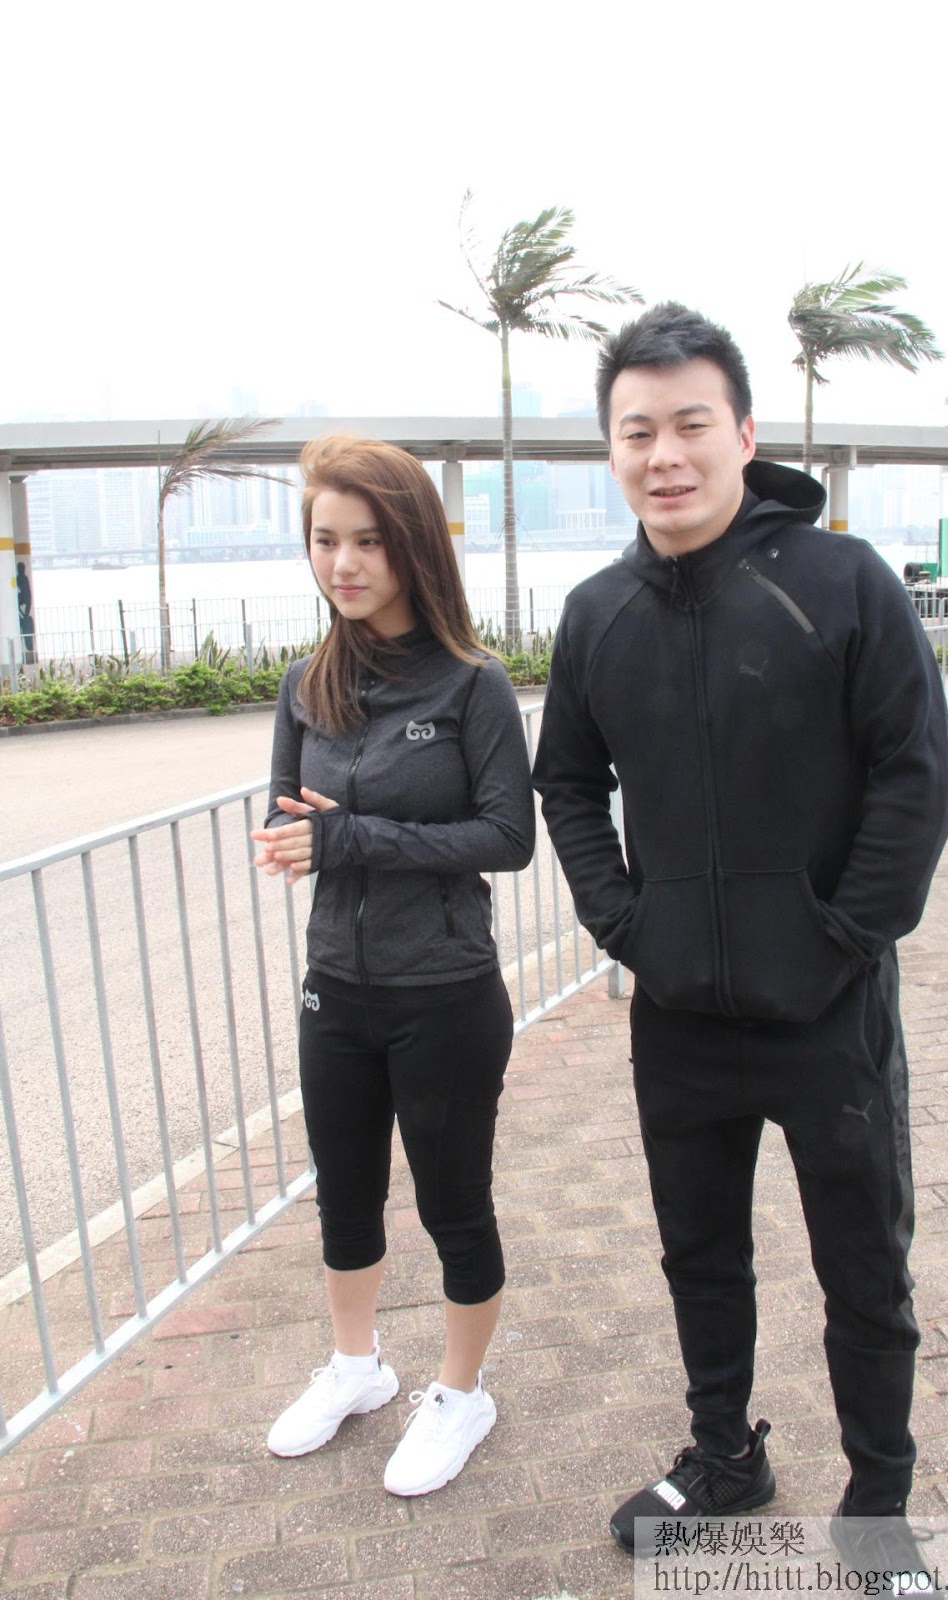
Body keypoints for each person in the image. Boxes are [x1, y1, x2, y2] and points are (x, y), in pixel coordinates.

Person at [532, 304, 948, 1580]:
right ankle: (723, 1454)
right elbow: (566, 783)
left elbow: (912, 775)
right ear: (612, 448)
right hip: (680, 1017)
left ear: (742, 433)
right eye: (636, 431)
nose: (663, 454)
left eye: (688, 424)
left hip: (828, 1009)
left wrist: (842, 934)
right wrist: (625, 924)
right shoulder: (596, 613)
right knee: (698, 1255)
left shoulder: (842, 581)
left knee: (864, 1271)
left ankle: (875, 1507)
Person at [251, 434, 535, 1497]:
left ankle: (461, 1393)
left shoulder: (471, 685)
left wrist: (349, 836)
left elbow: (507, 837)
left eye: (368, 540)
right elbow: (290, 819)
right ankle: (356, 1368)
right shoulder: (304, 683)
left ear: (413, 545)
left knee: (454, 1204)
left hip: (446, 993)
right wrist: (301, 839)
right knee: (344, 1197)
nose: (344, 563)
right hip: (335, 985)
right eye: (325, 540)